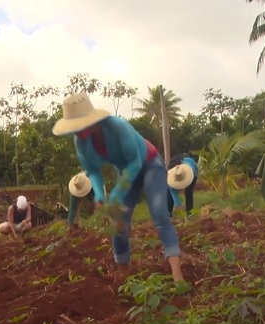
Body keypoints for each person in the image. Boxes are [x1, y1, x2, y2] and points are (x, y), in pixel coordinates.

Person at [52, 93, 184, 283]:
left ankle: (177, 274)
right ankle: (124, 276)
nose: (76, 131)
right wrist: (99, 194)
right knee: (119, 223)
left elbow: (136, 163)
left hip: (149, 164)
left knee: (159, 214)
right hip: (125, 172)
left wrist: (115, 194)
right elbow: (93, 171)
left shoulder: (117, 127)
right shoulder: (81, 142)